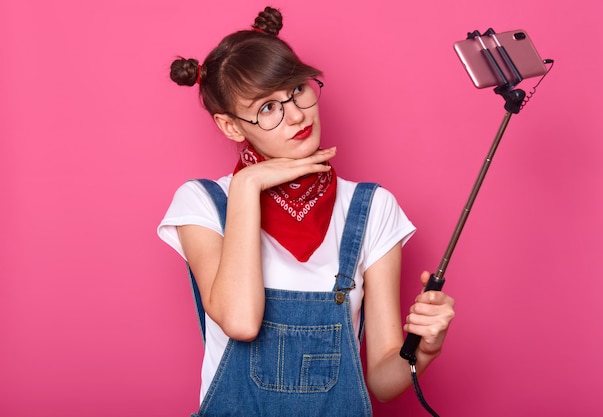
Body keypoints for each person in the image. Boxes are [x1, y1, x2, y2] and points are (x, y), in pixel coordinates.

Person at [158, 6, 455, 416]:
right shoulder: (203, 204)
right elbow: (241, 322)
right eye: (266, 108)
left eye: (297, 89)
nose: (297, 115)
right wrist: (247, 186)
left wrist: (423, 349)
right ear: (230, 127)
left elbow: (384, 383)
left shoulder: (371, 208)